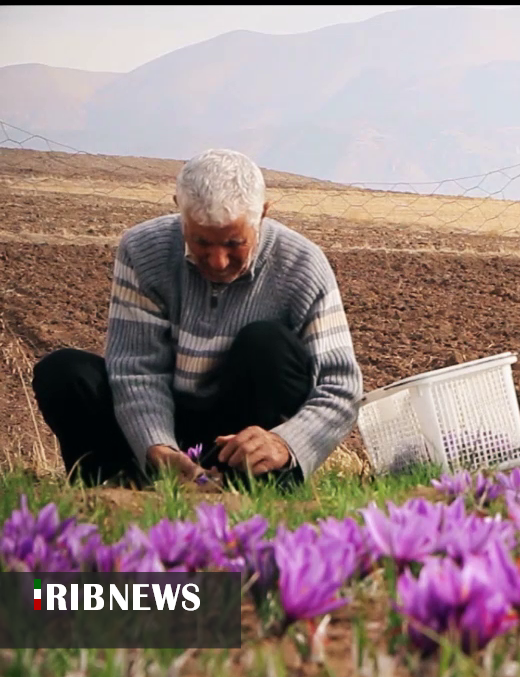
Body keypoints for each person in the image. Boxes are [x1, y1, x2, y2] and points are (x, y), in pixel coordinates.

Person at [31, 148, 364, 489]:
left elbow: (340, 386)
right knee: (65, 373)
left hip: (242, 438)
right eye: (201, 241)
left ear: (263, 214)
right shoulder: (143, 250)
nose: (218, 261)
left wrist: (285, 442)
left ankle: (253, 485)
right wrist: (157, 446)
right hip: (164, 427)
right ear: (180, 209)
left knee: (266, 343)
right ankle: (120, 490)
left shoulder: (302, 265)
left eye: (234, 243)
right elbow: (137, 368)